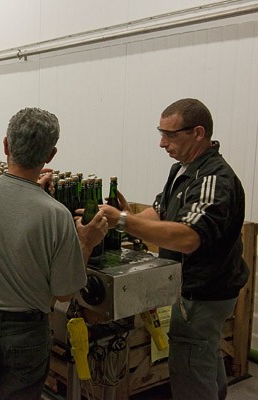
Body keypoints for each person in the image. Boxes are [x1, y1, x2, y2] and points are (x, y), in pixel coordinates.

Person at [0, 107, 107, 400]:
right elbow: (64, 293)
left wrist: (31, 191)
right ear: (51, 155)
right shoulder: (56, 215)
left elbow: (9, 212)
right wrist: (87, 242)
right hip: (27, 335)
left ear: (5, 145)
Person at [100, 98, 249, 400]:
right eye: (161, 133)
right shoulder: (182, 170)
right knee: (204, 356)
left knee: (190, 370)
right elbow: (160, 212)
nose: (162, 143)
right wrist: (121, 219)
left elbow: (188, 237)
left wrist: (124, 221)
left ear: (198, 133)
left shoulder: (213, 179)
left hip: (202, 294)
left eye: (170, 135)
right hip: (193, 290)